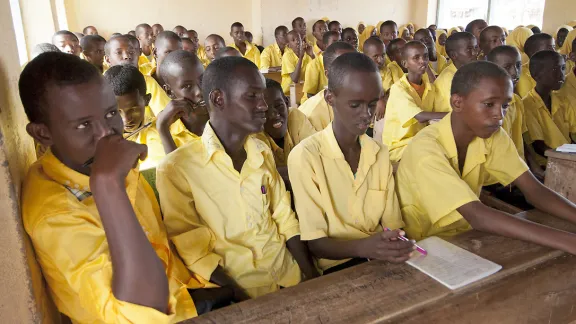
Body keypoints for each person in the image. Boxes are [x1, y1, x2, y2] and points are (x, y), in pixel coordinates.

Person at [20, 52, 218, 323]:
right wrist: (108, 185)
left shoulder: (91, 161)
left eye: (110, 113)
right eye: (83, 124)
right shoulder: (54, 213)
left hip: (185, 288)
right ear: (43, 134)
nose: (107, 134)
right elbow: (148, 311)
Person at [156, 56, 319, 299]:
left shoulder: (261, 150)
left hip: (289, 276)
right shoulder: (176, 169)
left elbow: (285, 220)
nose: (264, 105)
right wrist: (241, 301)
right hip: (242, 292)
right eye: (252, 96)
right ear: (218, 99)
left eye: (262, 96)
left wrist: (313, 279)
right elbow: (194, 252)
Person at [396, 60, 576, 256]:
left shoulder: (492, 135)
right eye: (489, 104)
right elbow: (476, 215)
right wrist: (568, 241)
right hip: (420, 247)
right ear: (457, 102)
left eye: (505, 106)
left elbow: (533, 190)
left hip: (466, 236)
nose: (499, 116)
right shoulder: (426, 149)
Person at [289, 52, 413, 275]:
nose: (367, 115)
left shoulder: (380, 153)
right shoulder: (306, 157)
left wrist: (396, 242)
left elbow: (392, 224)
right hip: (338, 266)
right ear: (330, 98)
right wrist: (366, 247)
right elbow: (316, 244)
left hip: (379, 258)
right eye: (355, 105)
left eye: (373, 104)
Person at [383, 41, 447, 162]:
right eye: (416, 58)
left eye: (425, 56)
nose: (422, 61)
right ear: (405, 63)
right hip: (399, 146)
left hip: (420, 140)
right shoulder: (398, 89)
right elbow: (420, 116)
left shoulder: (430, 88)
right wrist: (456, 115)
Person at [524, 50, 575, 167]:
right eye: (554, 70)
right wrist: (565, 160)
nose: (561, 74)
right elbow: (538, 146)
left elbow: (572, 136)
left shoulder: (563, 99)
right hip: (547, 164)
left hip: (569, 158)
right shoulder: (527, 105)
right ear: (536, 75)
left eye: (563, 68)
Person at [255, 78, 316, 171]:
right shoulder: (255, 133)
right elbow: (265, 175)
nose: (274, 114)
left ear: (286, 103)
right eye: (265, 110)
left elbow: (316, 154)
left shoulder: (295, 116)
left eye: (279, 105)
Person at [156, 50, 211, 152]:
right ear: (169, 92)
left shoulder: (225, 113)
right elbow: (171, 167)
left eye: (202, 80)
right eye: (187, 86)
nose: (199, 91)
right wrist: (163, 129)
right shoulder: (164, 130)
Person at [104, 35, 171, 116]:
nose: (127, 56)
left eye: (131, 52)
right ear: (107, 59)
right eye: (119, 52)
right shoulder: (100, 87)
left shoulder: (147, 82)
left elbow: (168, 116)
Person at [299, 42, 356, 131]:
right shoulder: (312, 115)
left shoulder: (363, 99)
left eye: (356, 65)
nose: (353, 72)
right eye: (343, 68)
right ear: (328, 74)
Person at [486, 46, 528, 161]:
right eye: (507, 67)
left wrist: (533, 167)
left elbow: (521, 138)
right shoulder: (486, 105)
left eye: (518, 65)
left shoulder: (516, 100)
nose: (515, 72)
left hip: (518, 166)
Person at [434, 32, 479, 112]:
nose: (475, 52)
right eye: (469, 49)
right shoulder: (449, 78)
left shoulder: (470, 71)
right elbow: (460, 111)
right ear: (453, 55)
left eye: (476, 47)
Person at [301, 31, 340, 103]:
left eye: (340, 42)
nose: (338, 45)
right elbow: (310, 95)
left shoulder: (341, 63)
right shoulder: (314, 65)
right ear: (325, 46)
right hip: (314, 104)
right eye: (334, 42)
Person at [517, 33, 556, 98]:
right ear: (533, 52)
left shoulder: (556, 69)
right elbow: (532, 100)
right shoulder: (521, 75)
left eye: (554, 47)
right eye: (549, 48)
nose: (554, 51)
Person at [281, 30, 313, 94]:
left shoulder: (307, 53)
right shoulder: (287, 56)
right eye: (293, 40)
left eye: (299, 39)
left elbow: (318, 70)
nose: (297, 42)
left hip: (303, 91)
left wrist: (312, 55)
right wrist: (300, 58)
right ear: (288, 45)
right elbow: (294, 79)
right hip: (289, 93)